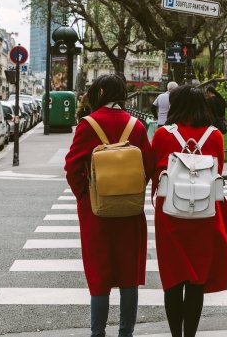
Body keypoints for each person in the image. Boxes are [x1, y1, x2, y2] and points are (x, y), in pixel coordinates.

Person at [64, 74, 155, 337]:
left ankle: (98, 333)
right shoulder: (136, 126)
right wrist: (130, 190)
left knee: (99, 275)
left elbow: (72, 167)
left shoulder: (88, 125)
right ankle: (126, 332)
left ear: (101, 91)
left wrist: (86, 195)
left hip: (96, 211)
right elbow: (148, 165)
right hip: (129, 210)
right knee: (129, 275)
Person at [150, 85, 227, 337]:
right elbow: (218, 170)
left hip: (169, 215)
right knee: (196, 279)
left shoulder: (163, 134)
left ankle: (175, 335)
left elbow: (153, 173)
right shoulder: (215, 136)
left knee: (173, 278)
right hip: (204, 214)